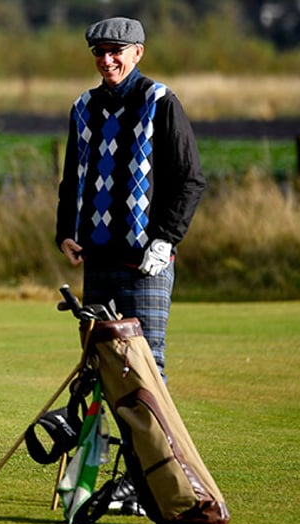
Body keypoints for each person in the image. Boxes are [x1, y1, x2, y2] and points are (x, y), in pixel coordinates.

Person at [55, 16, 206, 381]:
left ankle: (155, 441)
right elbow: (72, 178)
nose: (107, 60)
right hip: (97, 260)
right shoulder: (83, 107)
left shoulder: (160, 101)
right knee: (102, 366)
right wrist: (64, 232)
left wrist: (166, 238)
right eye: (99, 53)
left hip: (144, 264)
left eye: (115, 52)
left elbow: (190, 179)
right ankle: (116, 441)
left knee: (146, 366)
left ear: (137, 53)